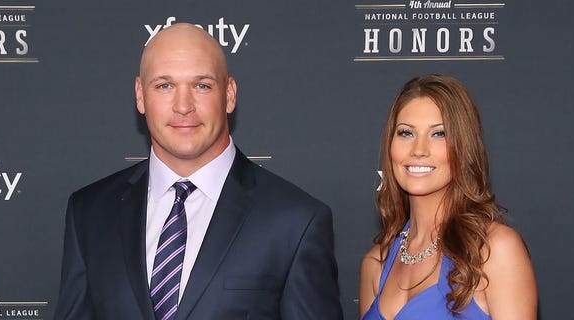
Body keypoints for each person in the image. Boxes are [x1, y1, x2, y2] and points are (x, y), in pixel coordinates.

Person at [54, 23, 343, 320]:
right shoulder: (89, 212)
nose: (183, 106)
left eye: (201, 86)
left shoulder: (296, 221)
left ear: (229, 94)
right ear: (140, 95)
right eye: (164, 86)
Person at [359, 74, 537, 319]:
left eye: (439, 134)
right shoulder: (375, 264)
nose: (419, 150)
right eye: (406, 133)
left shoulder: (493, 250)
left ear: (464, 147)